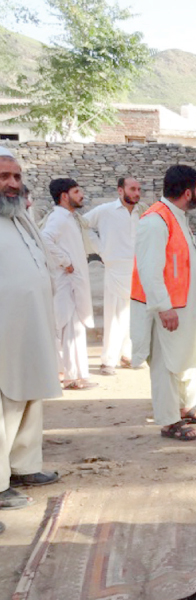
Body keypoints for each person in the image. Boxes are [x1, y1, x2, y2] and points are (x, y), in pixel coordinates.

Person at [0, 147, 61, 527]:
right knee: (3, 406)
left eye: (16, 176)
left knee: (30, 397)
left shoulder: (20, 217)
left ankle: (24, 465)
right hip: (4, 330)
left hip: (32, 325)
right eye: (4, 176)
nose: (11, 184)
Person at [130, 165, 196, 441]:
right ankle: (169, 422)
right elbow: (149, 269)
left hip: (183, 307)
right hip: (166, 309)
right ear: (188, 192)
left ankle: (185, 407)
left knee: (184, 359)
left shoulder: (176, 216)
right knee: (165, 365)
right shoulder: (155, 220)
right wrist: (164, 307)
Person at [84, 177, 144, 375]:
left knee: (133, 314)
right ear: (120, 191)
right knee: (114, 315)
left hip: (137, 269)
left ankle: (127, 355)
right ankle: (108, 360)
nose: (137, 193)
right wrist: (101, 249)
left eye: (138, 189)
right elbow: (83, 225)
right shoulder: (105, 210)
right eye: (132, 189)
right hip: (115, 268)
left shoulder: (141, 211)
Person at [41, 178, 97, 391]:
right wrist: (66, 262)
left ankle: (75, 375)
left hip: (73, 282)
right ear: (64, 196)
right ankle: (71, 377)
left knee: (74, 328)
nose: (81, 195)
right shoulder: (59, 218)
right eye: (76, 191)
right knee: (68, 328)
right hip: (67, 283)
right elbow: (45, 238)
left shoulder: (68, 218)